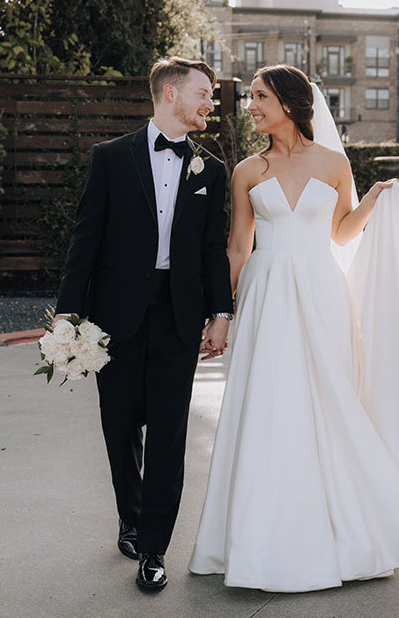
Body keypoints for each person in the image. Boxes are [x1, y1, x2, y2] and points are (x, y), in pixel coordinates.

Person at [188, 64, 399, 592]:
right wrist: (220, 314)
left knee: (328, 406)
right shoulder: (246, 170)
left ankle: (349, 529)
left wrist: (373, 202)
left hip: (322, 295)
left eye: (259, 97)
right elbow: (238, 248)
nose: (250, 107)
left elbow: (338, 233)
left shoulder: (334, 164)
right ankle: (259, 539)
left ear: (288, 103)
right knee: (266, 408)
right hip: (266, 297)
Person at [53, 57, 234, 593]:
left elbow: (212, 251)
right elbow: (86, 240)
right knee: (120, 424)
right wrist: (67, 312)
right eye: (203, 93)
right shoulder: (109, 159)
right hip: (117, 314)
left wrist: (220, 313)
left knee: (169, 434)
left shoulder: (211, 169)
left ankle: (154, 547)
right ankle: (129, 519)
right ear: (171, 93)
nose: (210, 103)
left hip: (179, 315)